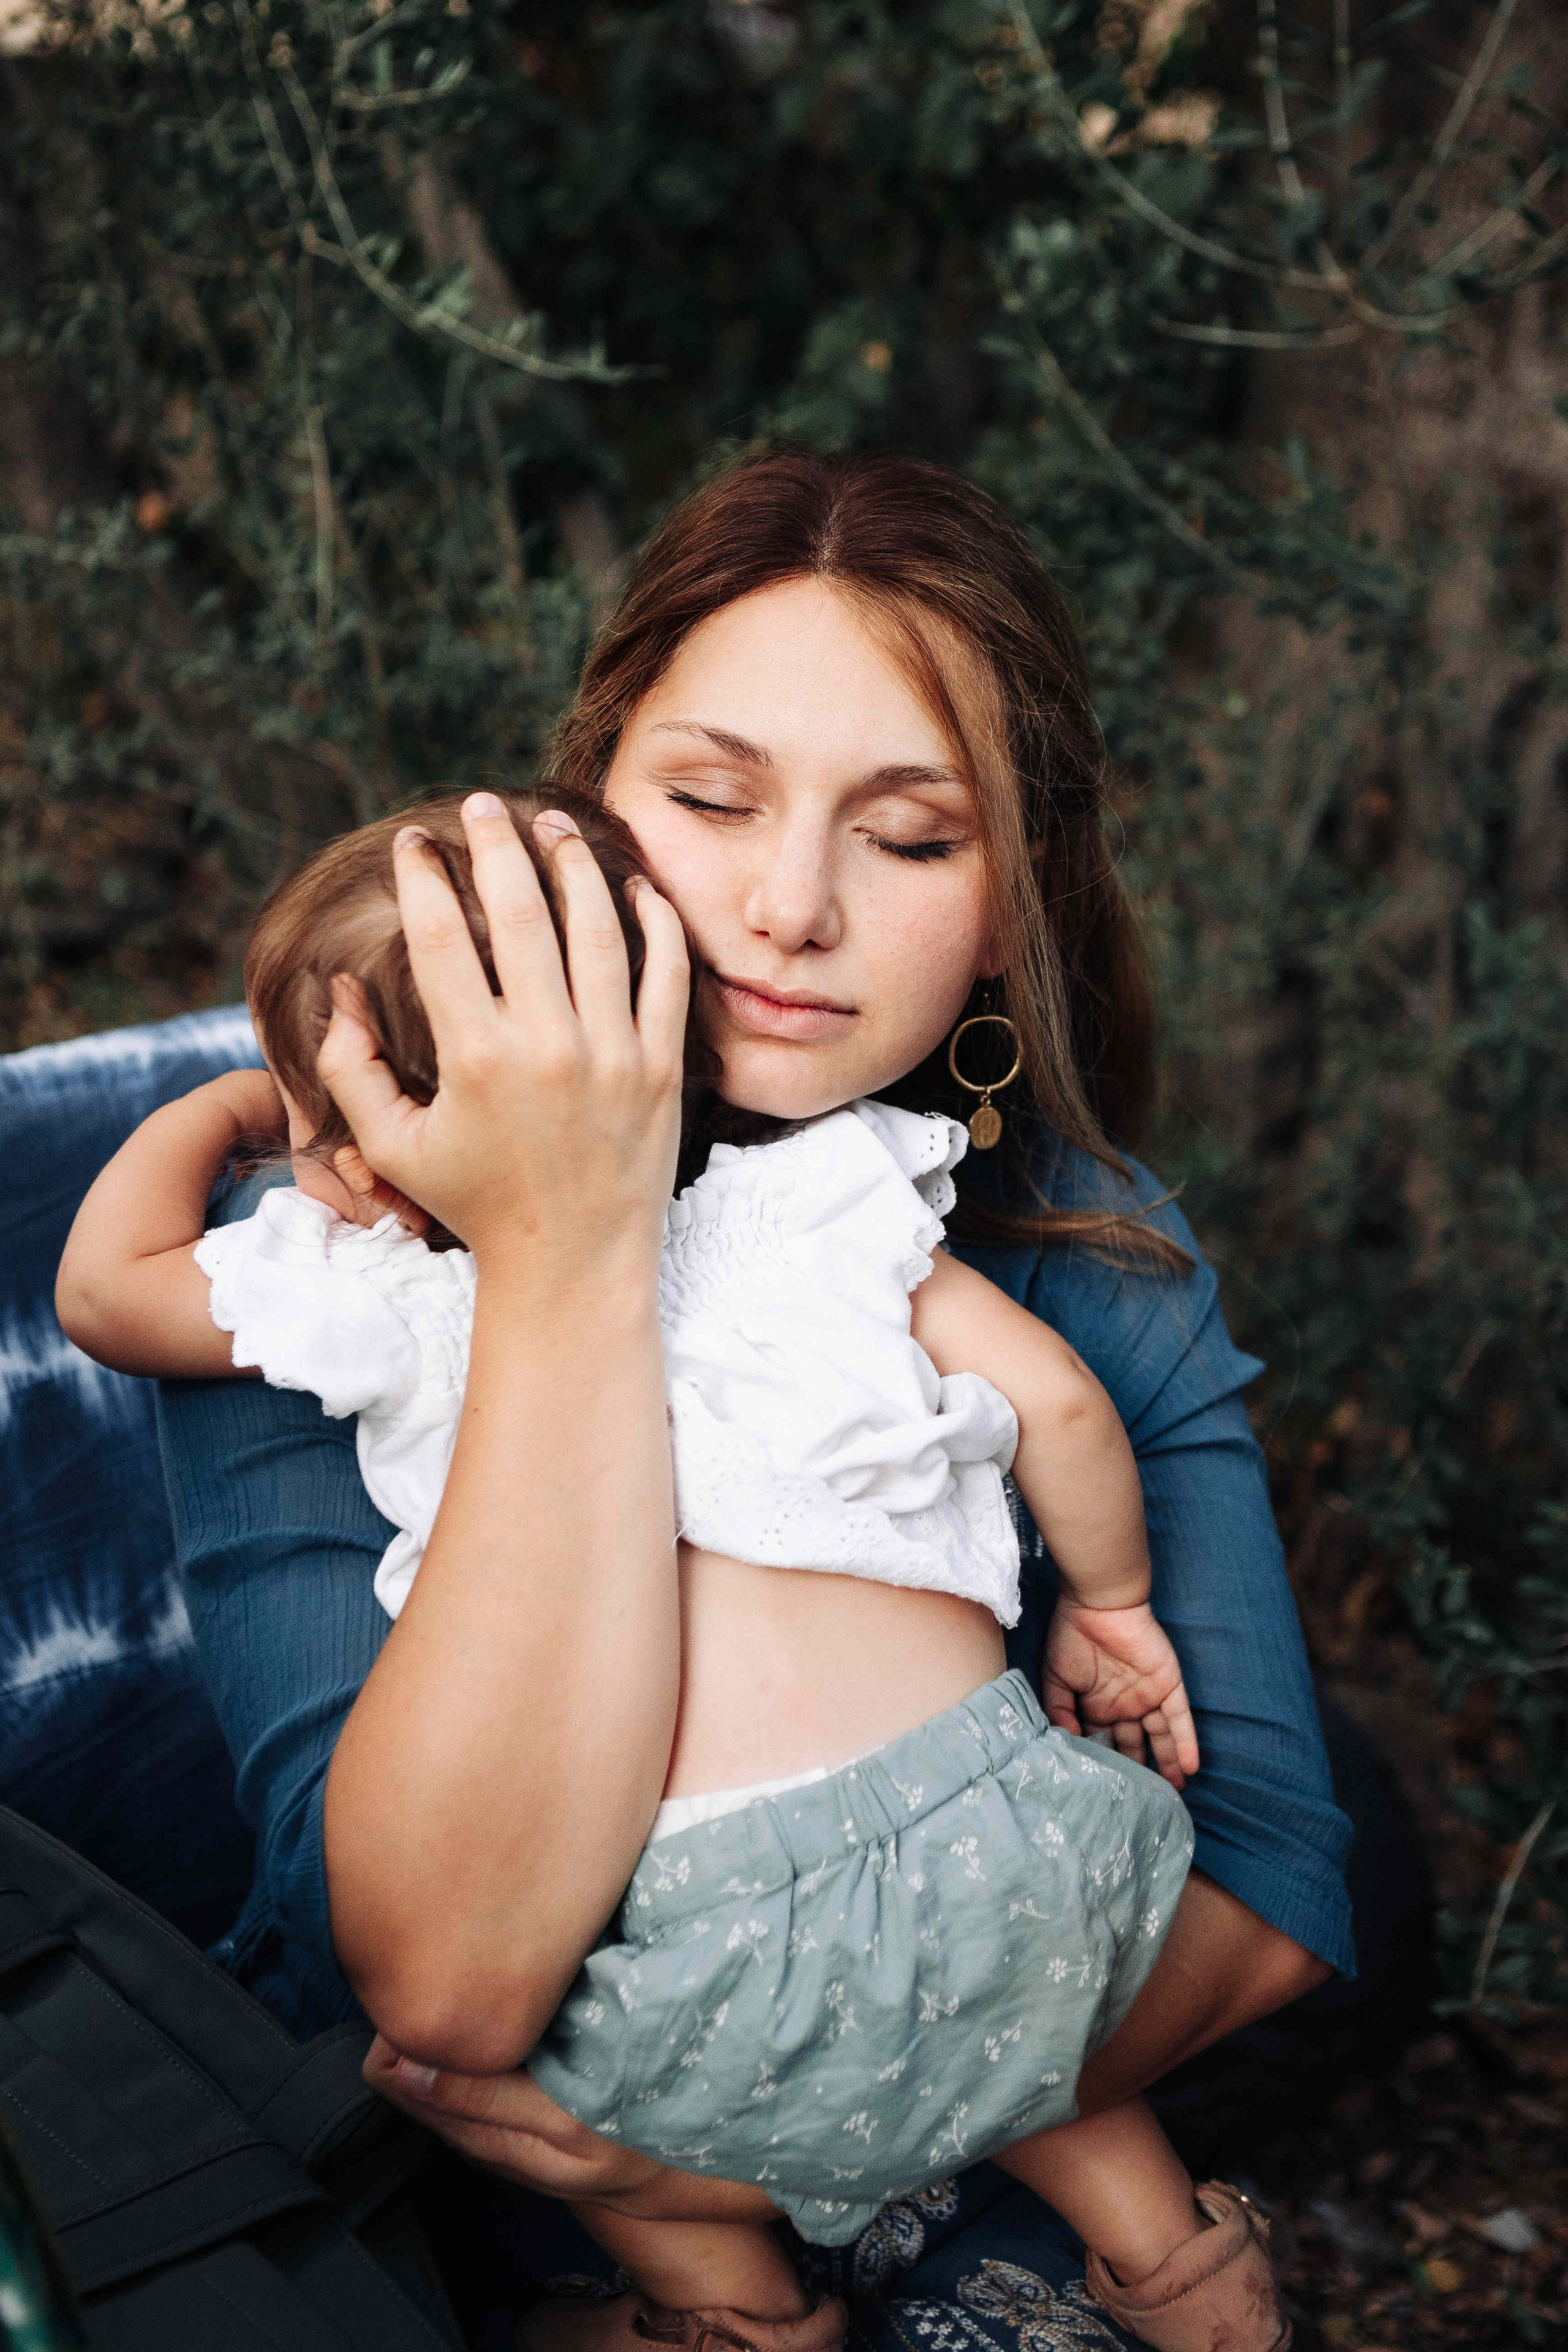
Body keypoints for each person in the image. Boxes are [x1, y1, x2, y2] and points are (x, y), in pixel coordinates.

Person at [61, 453, 1351, 2348]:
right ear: (583, 813)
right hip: (504, 2197)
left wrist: (718, 2160)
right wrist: (571, 1242)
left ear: (1011, 908)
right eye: (712, 801)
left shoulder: (1073, 1238)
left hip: (848, 2120)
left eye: (910, 837)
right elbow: (450, 1994)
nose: (788, 907)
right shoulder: (351, 1252)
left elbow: (1270, 1904)